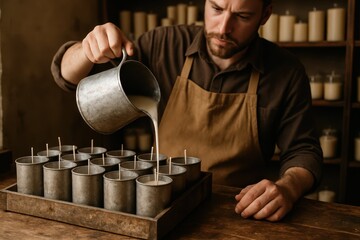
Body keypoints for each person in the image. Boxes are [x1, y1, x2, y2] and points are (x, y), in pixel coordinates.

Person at [51, 0, 322, 222]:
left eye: (242, 16)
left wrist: (289, 187)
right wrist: (86, 50)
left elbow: (303, 149)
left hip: (239, 211)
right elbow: (67, 76)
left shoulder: (286, 71)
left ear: (265, 15)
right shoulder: (164, 44)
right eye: (216, 9)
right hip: (161, 204)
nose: (224, 28)